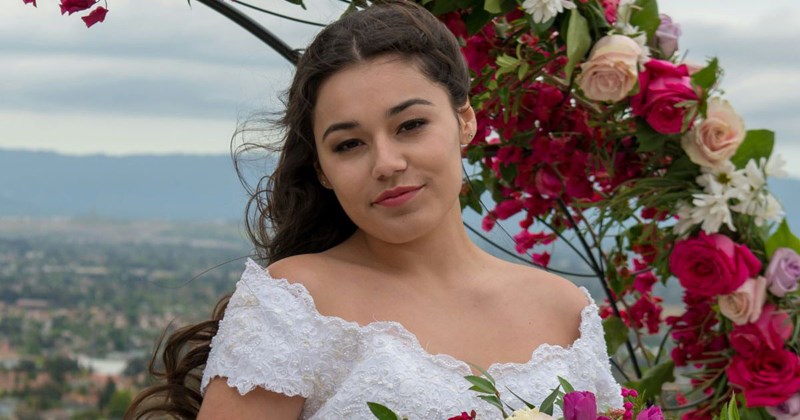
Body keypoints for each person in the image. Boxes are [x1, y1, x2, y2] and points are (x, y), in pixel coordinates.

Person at [126, 1, 622, 419]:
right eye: (348, 145)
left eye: (409, 125)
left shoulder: (565, 311)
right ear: (322, 169)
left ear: (464, 120)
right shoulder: (295, 303)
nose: (386, 163)